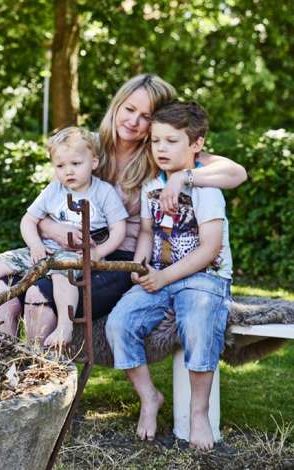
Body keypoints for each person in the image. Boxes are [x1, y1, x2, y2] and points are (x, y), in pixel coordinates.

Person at [0, 74, 246, 339]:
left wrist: (183, 176)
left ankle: (42, 370)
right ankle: (2, 371)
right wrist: (53, 228)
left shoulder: (159, 154)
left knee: (38, 293)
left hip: (119, 261)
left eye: (145, 116)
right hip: (66, 254)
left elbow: (237, 173)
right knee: (0, 290)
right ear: (118, 105)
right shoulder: (85, 145)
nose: (134, 121)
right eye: (130, 109)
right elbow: (47, 205)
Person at [105, 101, 232, 451]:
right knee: (119, 324)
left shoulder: (207, 189)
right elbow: (147, 232)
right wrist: (140, 264)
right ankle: (149, 397)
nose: (160, 148)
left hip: (205, 278)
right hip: (160, 276)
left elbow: (208, 250)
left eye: (171, 141)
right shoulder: (150, 186)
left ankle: (199, 412)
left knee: (198, 321)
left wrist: (164, 278)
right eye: (156, 140)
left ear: (196, 144)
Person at [0, 128, 127, 347]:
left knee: (63, 272)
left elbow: (119, 230)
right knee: (1, 261)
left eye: (76, 164)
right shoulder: (54, 189)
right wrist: (35, 245)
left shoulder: (103, 192)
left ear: (94, 162)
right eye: (60, 166)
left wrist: (98, 252)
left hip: (75, 255)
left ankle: (64, 327)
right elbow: (28, 220)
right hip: (45, 250)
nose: (68, 171)